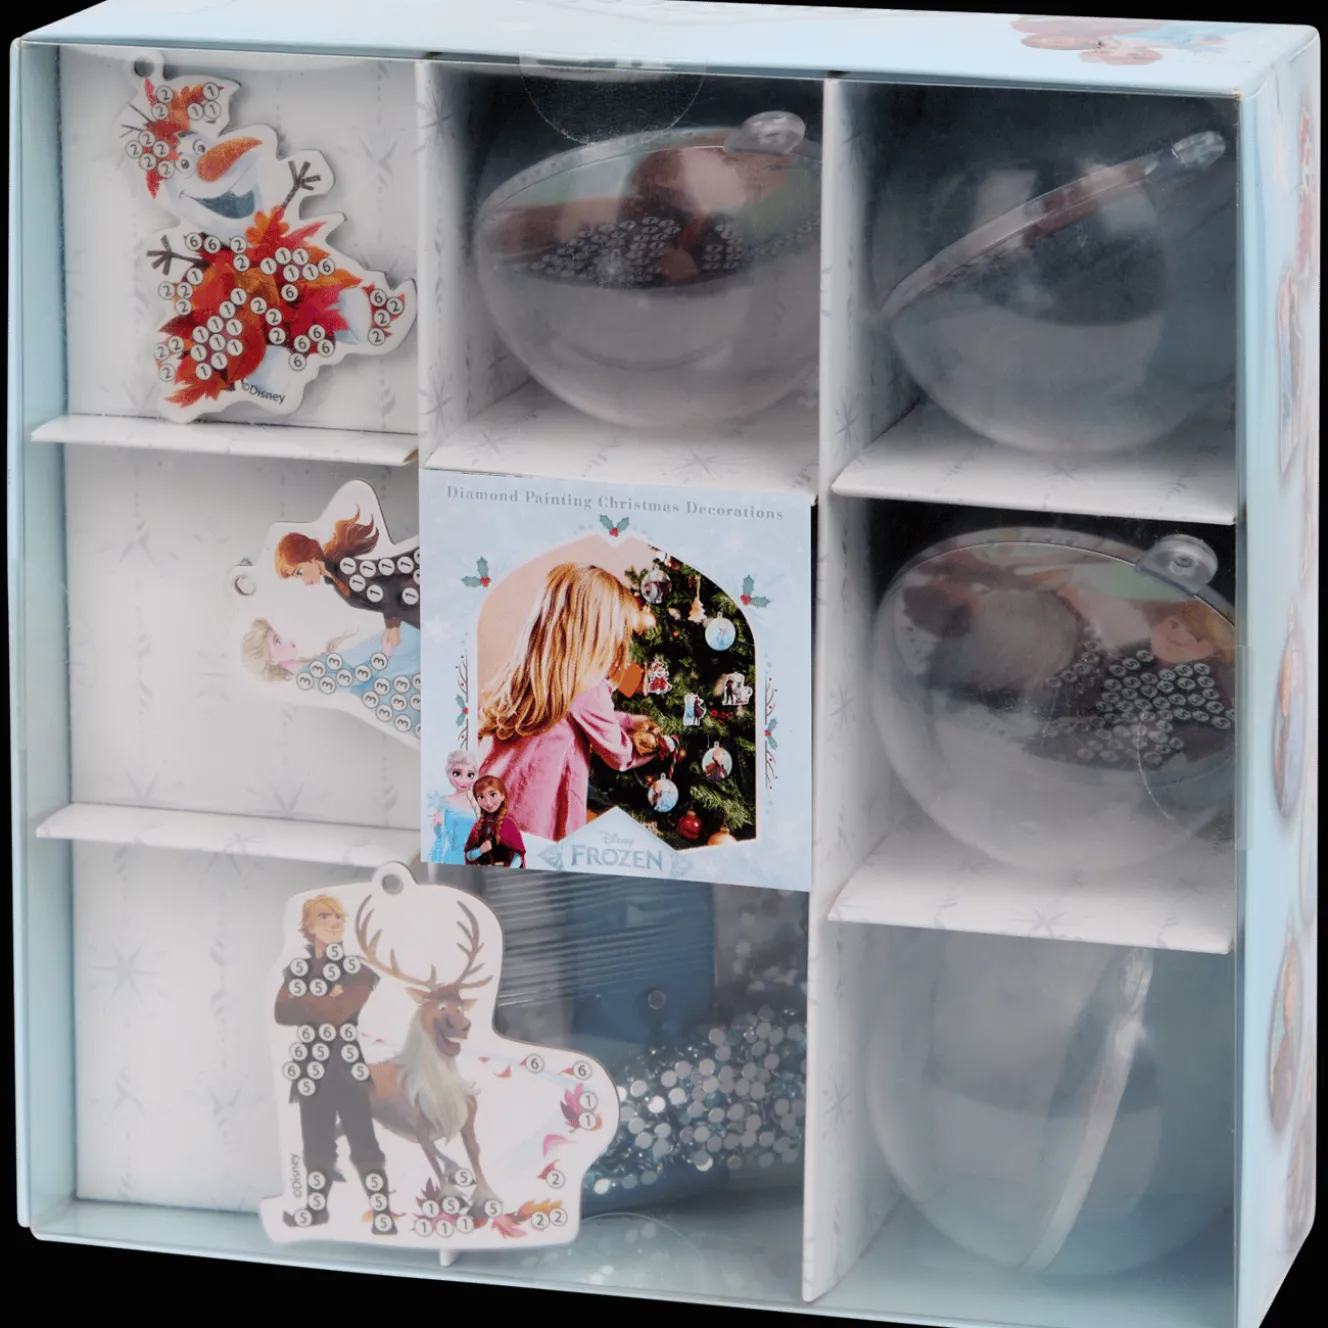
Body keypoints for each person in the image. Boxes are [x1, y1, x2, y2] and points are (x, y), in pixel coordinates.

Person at [477, 564, 663, 841]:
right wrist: (656, 742)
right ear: (600, 635)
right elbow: (619, 755)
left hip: (491, 797)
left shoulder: (531, 670)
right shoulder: (588, 687)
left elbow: (575, 716)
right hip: (535, 818)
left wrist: (627, 720)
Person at [274, 894, 395, 1234]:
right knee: (316, 1145)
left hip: (347, 1070)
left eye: (338, 917)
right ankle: (317, 1210)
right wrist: (327, 999)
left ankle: (383, 1213)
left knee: (364, 1143)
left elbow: (340, 1014)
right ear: (309, 927)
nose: (334, 923)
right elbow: (282, 1013)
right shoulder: (296, 969)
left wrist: (306, 999)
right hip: (310, 1072)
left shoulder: (358, 971)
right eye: (325, 917)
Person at [274, 507, 419, 655]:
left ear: (310, 558)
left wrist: (392, 626)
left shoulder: (344, 569)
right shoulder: (335, 580)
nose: (303, 580)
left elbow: (389, 587)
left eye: (299, 572)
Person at [429, 750, 481, 865]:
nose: (464, 780)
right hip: (453, 857)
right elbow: (439, 835)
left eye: (470, 775)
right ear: (449, 773)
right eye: (457, 773)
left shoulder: (476, 803)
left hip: (473, 855)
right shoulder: (445, 801)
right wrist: (437, 825)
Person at [463, 775, 527, 868]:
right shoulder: (478, 825)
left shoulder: (509, 824)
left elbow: (518, 856)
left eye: (492, 795)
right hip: (482, 873)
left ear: (502, 795)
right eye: (481, 797)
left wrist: (508, 872)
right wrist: (480, 851)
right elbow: (469, 856)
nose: (488, 802)